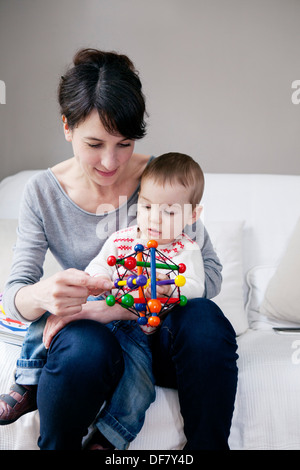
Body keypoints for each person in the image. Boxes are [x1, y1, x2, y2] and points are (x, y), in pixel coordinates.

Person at [0, 48, 238, 450]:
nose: (110, 162)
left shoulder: (163, 179)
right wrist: (44, 293)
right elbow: (15, 295)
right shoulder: (41, 192)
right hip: (95, 340)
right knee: (83, 344)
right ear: (67, 127)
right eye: (95, 143)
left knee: (204, 318)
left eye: (124, 144)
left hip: (159, 336)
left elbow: (209, 276)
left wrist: (132, 302)